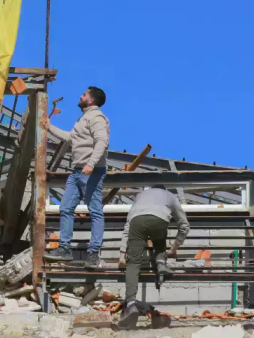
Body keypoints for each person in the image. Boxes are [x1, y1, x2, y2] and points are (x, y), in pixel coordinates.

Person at [48, 86, 110, 269]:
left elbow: (102, 142)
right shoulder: (83, 118)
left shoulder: (97, 117)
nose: (80, 96)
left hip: (91, 171)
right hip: (77, 171)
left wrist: (91, 163)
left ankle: (93, 254)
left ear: (91, 100)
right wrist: (48, 127)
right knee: (66, 208)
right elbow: (70, 138)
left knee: (95, 211)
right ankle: (64, 249)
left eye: (84, 94)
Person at [117, 185, 190, 329]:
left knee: (133, 263)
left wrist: (122, 254)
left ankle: (131, 304)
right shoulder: (170, 196)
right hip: (159, 221)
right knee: (160, 230)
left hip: (137, 222)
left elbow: (128, 226)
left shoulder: (139, 196)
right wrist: (174, 248)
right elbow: (184, 225)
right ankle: (161, 262)